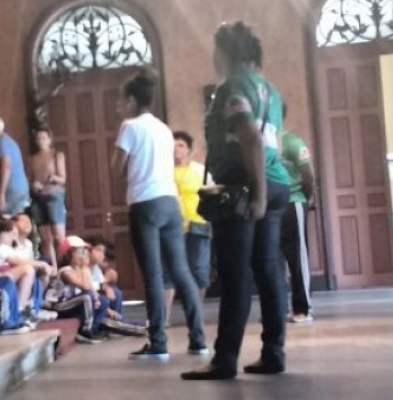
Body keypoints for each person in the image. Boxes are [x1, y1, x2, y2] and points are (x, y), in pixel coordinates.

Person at [184, 22, 291, 381]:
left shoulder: (232, 87)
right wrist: (265, 189)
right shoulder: (270, 90)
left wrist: (257, 195)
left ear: (225, 51)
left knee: (236, 274)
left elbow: (250, 138)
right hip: (275, 181)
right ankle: (274, 353)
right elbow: (270, 141)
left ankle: (225, 358)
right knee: (268, 269)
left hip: (246, 188)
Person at [112, 70, 208, 362]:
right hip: (170, 202)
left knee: (153, 274)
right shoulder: (165, 129)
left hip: (145, 204)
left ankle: (158, 343)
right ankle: (198, 340)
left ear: (132, 100)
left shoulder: (129, 127)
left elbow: (116, 168)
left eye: (121, 100)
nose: (119, 106)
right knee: (181, 271)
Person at [164, 131, 211, 317]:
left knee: (199, 270)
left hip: (199, 223)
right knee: (168, 270)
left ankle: (196, 312)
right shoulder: (164, 171)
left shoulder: (199, 170)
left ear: (189, 150)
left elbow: (211, 191)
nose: (176, 149)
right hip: (172, 226)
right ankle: (165, 316)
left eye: (181, 145)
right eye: (173, 145)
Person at [280, 105, 316, 323]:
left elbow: (307, 175)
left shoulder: (293, 142)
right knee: (273, 261)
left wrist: (308, 197)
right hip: (270, 206)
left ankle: (303, 309)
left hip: (293, 203)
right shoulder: (262, 143)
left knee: (297, 258)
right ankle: (278, 308)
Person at [29, 127, 67, 265]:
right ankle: (53, 269)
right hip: (38, 197)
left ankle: (64, 265)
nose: (41, 141)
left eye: (44, 138)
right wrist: (34, 184)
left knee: (59, 236)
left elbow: (63, 179)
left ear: (49, 139)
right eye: (38, 138)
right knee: (45, 239)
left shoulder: (57, 155)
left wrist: (54, 178)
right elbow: (31, 180)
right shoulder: (32, 159)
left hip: (54, 195)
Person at [0, 115, 31, 217]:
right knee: (17, 219)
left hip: (11, 188)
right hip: (21, 187)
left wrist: (1, 193)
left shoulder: (2, 143)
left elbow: (6, 167)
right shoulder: (9, 141)